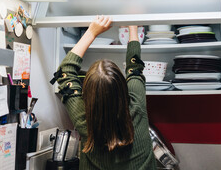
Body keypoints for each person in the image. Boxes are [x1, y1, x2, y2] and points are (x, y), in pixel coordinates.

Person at [52, 15, 157, 170]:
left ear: (86, 94)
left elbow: (65, 71)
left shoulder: (83, 122)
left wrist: (92, 32)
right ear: (123, 88)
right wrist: (132, 27)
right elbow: (134, 67)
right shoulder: (137, 106)